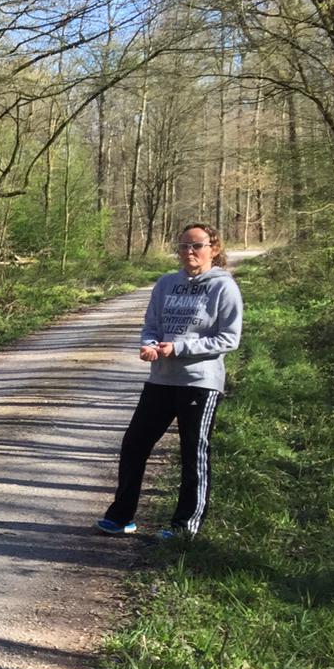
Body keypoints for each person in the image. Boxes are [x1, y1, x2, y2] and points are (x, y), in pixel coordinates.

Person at [96, 223, 242, 540]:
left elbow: (229, 339)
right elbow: (151, 325)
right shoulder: (165, 284)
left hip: (200, 382)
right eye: (184, 245)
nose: (189, 252)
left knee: (193, 453)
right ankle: (121, 517)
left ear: (213, 249)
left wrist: (180, 348)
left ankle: (184, 527)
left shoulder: (224, 287)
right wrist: (149, 345)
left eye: (197, 245)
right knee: (134, 444)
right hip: (161, 379)